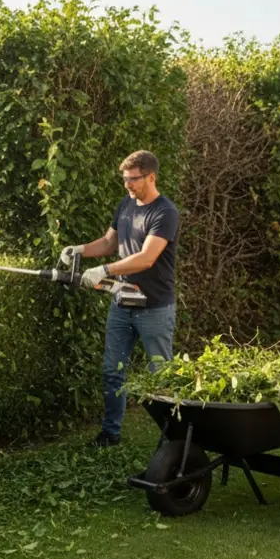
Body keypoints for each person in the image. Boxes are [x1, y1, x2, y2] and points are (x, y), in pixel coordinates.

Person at [60, 150, 180, 448]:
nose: (127, 185)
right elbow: (108, 242)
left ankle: (172, 442)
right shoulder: (126, 205)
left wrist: (104, 270)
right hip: (123, 301)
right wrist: (79, 250)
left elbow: (147, 258)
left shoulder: (165, 213)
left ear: (151, 177)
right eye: (125, 179)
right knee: (112, 371)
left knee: (161, 376)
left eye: (133, 179)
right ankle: (110, 434)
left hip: (155, 307)